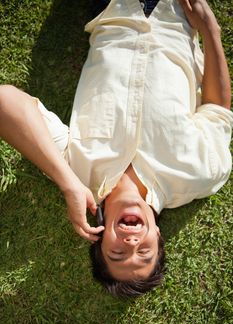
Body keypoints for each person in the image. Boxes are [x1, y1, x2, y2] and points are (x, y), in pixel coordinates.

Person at [0, 0, 232, 297]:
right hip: (179, 14)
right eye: (145, 254)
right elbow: (217, 108)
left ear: (99, 240)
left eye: (118, 254)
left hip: (112, 9)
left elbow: (6, 102)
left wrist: (68, 183)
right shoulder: (201, 175)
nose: (132, 245)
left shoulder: (78, 172)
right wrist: (210, 29)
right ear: (158, 235)